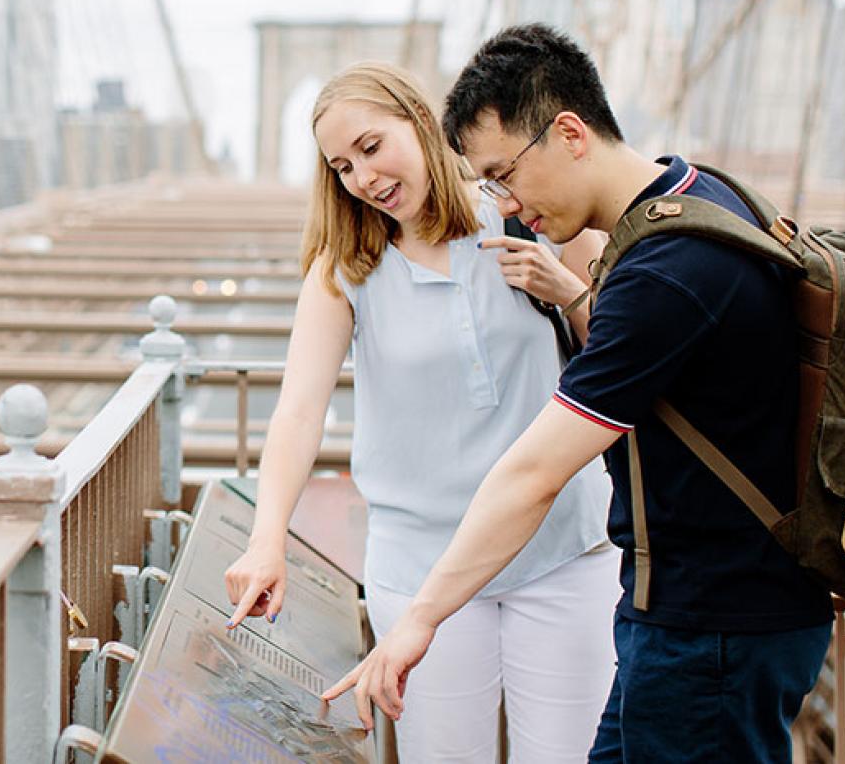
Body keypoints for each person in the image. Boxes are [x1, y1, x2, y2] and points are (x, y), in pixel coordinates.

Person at [329, 24, 834, 762]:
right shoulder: (704, 195)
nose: (503, 200)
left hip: (716, 630)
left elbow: (535, 472)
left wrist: (416, 621)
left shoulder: (663, 272)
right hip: (694, 615)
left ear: (568, 132)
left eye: (504, 173)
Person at [223, 61, 616, 762]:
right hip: (420, 564)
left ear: (421, 121)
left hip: (561, 551)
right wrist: (265, 538)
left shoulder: (530, 213)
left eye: (372, 147)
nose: (363, 178)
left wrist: (571, 295)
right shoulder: (344, 267)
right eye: (342, 166)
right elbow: (298, 412)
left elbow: (625, 355)